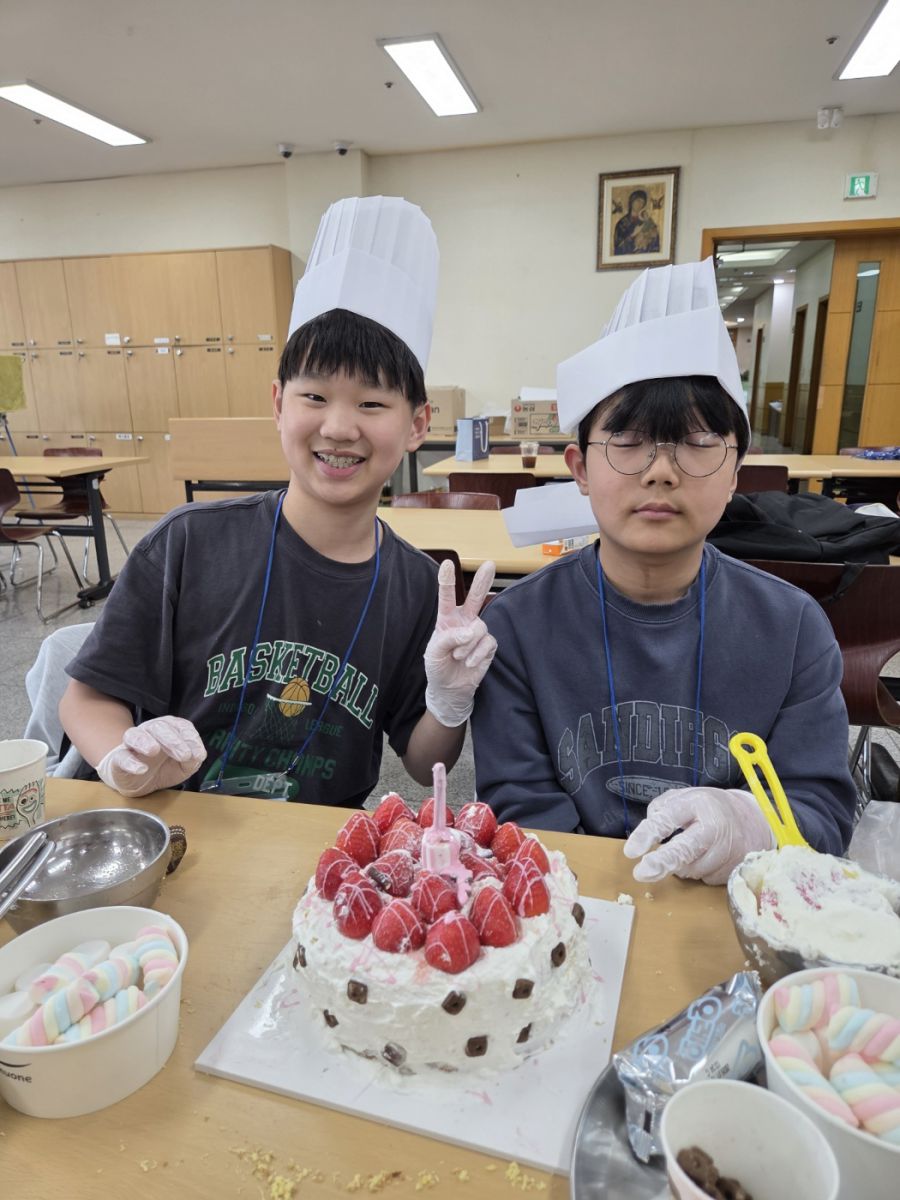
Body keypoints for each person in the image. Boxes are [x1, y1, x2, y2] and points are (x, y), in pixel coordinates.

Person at [59, 196, 496, 804]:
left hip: (321, 851)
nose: (339, 428)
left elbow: (425, 766)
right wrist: (121, 760)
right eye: (314, 396)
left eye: (372, 403)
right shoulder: (190, 543)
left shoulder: (417, 586)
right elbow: (87, 697)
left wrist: (449, 703)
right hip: (180, 821)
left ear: (417, 424)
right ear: (277, 404)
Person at [471, 259, 856, 884]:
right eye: (627, 440)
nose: (660, 471)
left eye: (698, 443)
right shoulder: (517, 625)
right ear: (579, 468)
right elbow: (519, 810)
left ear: (736, 471)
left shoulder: (792, 628)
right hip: (574, 907)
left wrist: (751, 824)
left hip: (731, 902)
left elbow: (823, 812)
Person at [614, 189, 660, 256]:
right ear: (632, 201)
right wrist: (633, 235)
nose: (640, 204)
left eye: (642, 202)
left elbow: (655, 241)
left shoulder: (647, 220)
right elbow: (618, 249)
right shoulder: (622, 223)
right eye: (638, 200)